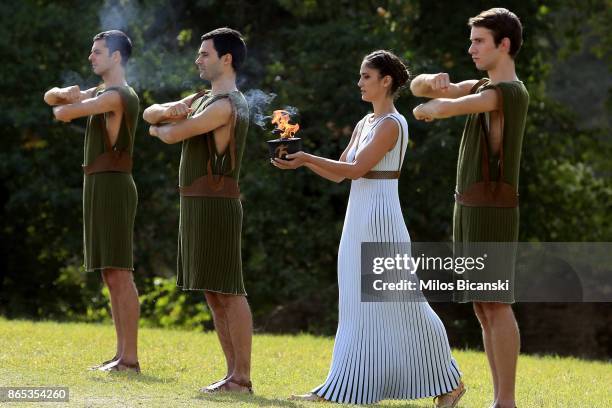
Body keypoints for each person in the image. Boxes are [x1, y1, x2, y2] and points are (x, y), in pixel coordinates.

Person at [273, 50, 465, 407]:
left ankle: (449, 381)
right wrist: (300, 161)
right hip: (359, 215)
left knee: (406, 303)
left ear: (386, 81)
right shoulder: (365, 122)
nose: (360, 82)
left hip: (382, 218)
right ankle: (345, 385)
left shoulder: (393, 123)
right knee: (355, 302)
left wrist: (307, 158)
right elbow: (339, 172)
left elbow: (358, 169)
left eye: (366, 76)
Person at [411, 8, 529, 408]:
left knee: (496, 303)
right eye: (472, 39)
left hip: (492, 210)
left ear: (505, 45)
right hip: (472, 207)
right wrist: (432, 81)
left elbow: (444, 108)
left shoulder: (507, 93)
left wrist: (433, 105)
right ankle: (501, 401)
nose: (471, 48)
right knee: (483, 307)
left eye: (480, 41)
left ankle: (506, 401)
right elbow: (419, 89)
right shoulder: (482, 85)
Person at [143, 28, 252, 393]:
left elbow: (173, 135)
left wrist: (162, 129)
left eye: (205, 54)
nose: (198, 59)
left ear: (227, 59)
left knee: (229, 290)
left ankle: (242, 378)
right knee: (212, 291)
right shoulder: (204, 97)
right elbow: (148, 113)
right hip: (197, 203)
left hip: (217, 204)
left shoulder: (226, 105)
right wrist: (164, 113)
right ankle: (231, 374)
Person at [43, 30, 141, 373]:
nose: (90, 57)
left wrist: (65, 99)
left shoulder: (118, 95)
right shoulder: (102, 91)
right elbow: (50, 99)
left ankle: (129, 359)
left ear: (116, 57)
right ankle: (121, 355)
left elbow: (61, 114)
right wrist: (61, 92)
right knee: (109, 273)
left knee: (120, 272)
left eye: (97, 52)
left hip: (113, 185)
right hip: (98, 184)